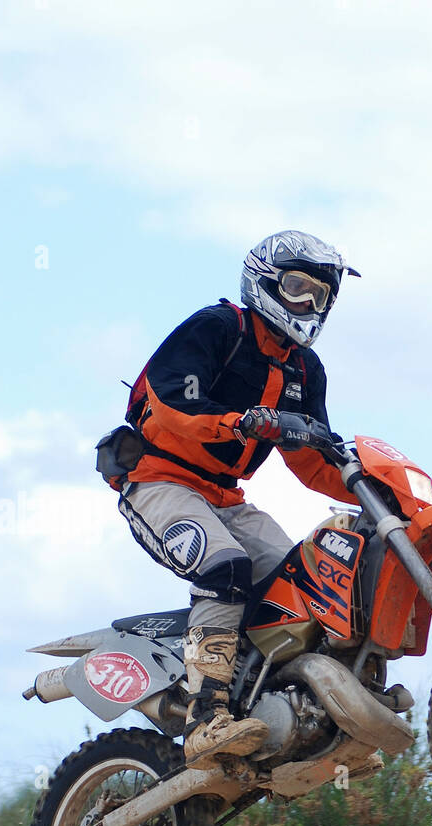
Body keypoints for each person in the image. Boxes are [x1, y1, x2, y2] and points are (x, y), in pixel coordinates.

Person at [114, 230, 360, 767]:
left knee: (303, 583)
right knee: (226, 565)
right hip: (158, 481)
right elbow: (171, 402)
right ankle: (205, 717)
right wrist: (245, 422)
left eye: (319, 297)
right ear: (264, 278)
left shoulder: (303, 368)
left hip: (225, 498)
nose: (306, 305)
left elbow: (314, 461)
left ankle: (291, 710)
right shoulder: (218, 327)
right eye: (297, 287)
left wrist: (385, 491)